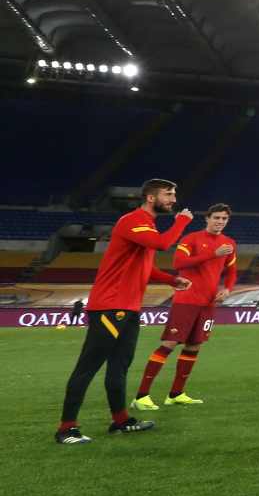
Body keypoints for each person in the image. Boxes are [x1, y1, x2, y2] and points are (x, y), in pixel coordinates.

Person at [55, 179, 194, 444]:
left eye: (174, 194)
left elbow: (144, 266)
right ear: (151, 198)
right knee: (88, 367)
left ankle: (120, 421)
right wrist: (182, 222)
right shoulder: (133, 220)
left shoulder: (147, 225)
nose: (174, 200)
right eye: (168, 194)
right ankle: (66, 428)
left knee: (119, 367)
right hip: (109, 305)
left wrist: (170, 280)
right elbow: (163, 245)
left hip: (129, 308)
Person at [132, 203, 238, 410]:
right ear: (207, 218)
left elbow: (232, 271)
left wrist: (228, 289)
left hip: (208, 303)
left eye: (224, 219)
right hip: (187, 300)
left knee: (194, 346)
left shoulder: (229, 243)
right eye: (216, 217)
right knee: (170, 344)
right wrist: (213, 254)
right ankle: (141, 396)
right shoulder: (191, 239)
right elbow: (178, 264)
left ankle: (176, 393)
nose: (220, 222)